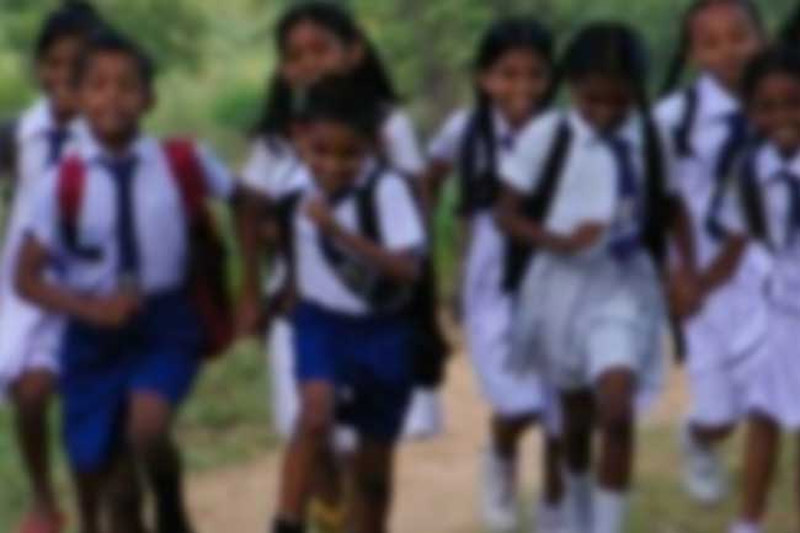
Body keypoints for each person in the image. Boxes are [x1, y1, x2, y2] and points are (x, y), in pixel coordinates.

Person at [15, 31, 236, 533]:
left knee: (148, 428)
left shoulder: (181, 161)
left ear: (149, 98)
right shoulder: (61, 182)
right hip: (94, 337)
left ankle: (171, 500)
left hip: (165, 321)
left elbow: (246, 199)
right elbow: (26, 278)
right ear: (77, 98)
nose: (112, 97)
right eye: (97, 85)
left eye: (126, 85)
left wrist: (247, 294)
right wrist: (90, 309)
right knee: (116, 487)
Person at [497, 23, 690, 533]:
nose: (604, 112)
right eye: (592, 100)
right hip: (561, 288)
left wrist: (685, 273)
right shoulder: (549, 135)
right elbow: (507, 214)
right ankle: (578, 508)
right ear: (571, 88)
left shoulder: (651, 137)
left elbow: (674, 209)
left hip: (623, 285)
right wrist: (559, 240)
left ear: (638, 91)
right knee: (576, 418)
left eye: (618, 101)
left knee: (618, 408)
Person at [424, 17, 564, 532]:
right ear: (485, 78)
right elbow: (430, 178)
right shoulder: (466, 131)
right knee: (519, 400)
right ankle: (501, 454)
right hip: (491, 285)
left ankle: (556, 510)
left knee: (562, 407)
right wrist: (424, 246)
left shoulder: (565, 133)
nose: (521, 87)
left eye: (535, 75)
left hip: (557, 280)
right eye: (508, 74)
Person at [270, 73, 426, 533]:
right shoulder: (293, 189)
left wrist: (338, 232)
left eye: (349, 154)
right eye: (320, 151)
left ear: (373, 146)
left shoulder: (386, 190)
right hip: (321, 323)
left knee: (373, 472)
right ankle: (287, 519)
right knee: (315, 414)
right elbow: (289, 245)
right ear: (300, 139)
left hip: (382, 332)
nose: (333, 165)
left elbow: (407, 269)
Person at [656, 0, 767, 504]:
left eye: (740, 37)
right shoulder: (672, 120)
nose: (729, 52)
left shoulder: (786, 103)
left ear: (762, 40)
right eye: (711, 43)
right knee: (722, 411)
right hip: (703, 282)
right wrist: (676, 277)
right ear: (692, 54)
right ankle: (699, 437)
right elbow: (664, 202)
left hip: (778, 272)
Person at [0, 4, 104, 532]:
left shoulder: (107, 132)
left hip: (89, 284)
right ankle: (43, 496)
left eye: (77, 65)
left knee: (88, 408)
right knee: (31, 393)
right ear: (39, 67)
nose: (64, 76)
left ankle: (92, 512)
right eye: (54, 63)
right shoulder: (18, 133)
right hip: (27, 284)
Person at [723, 46, 800, 533]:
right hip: (780, 313)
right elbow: (746, 237)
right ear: (750, 112)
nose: (781, 117)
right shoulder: (752, 170)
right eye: (767, 107)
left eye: (793, 103)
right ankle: (747, 523)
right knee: (764, 416)